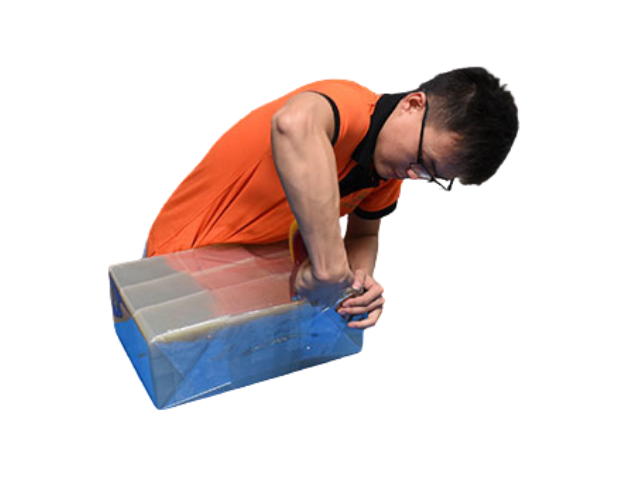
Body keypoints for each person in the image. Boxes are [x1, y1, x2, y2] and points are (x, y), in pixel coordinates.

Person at [145, 67, 519, 329]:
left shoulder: (386, 174)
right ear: (413, 104)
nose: (412, 174)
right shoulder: (345, 105)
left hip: (245, 280)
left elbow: (364, 234)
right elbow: (293, 125)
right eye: (423, 160)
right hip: (178, 268)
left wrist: (355, 288)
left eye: (430, 176)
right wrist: (330, 268)